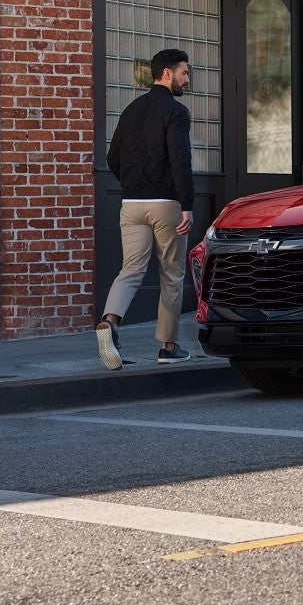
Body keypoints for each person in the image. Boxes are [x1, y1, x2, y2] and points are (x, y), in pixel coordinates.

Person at [97, 47, 195, 369]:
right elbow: (180, 159)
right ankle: (167, 347)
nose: (187, 79)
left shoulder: (131, 109)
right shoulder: (176, 112)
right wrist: (187, 203)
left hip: (132, 204)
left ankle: (109, 323)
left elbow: (113, 159)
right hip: (166, 204)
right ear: (167, 74)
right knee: (171, 273)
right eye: (184, 72)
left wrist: (133, 184)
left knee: (131, 270)